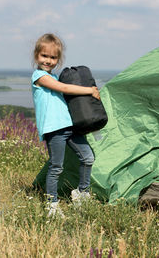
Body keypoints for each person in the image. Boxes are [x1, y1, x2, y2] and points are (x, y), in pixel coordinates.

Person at [31, 33, 100, 216]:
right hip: (54, 129)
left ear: (58, 60)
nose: (48, 60)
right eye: (44, 56)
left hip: (70, 126)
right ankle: (51, 205)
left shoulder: (53, 76)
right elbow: (64, 88)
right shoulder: (39, 77)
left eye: (53, 57)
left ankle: (81, 192)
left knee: (88, 158)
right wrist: (89, 91)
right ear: (36, 55)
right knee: (56, 167)